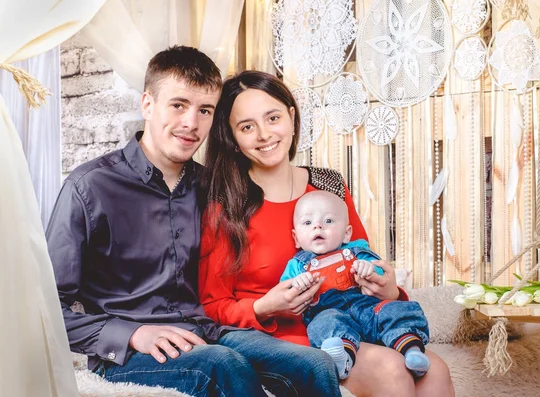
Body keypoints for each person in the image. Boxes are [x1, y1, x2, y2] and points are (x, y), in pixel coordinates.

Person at [46, 46, 341, 397]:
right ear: (147, 104)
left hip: (208, 331)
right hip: (134, 350)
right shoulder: (88, 187)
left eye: (205, 111)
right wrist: (131, 333)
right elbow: (45, 309)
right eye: (178, 105)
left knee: (314, 364)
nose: (191, 123)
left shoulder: (213, 187)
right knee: (222, 364)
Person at [199, 69, 455, 397]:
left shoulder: (327, 185)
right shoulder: (224, 204)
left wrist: (387, 287)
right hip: (280, 338)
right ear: (233, 138)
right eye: (247, 127)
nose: (264, 134)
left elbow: (361, 258)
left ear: (292, 116)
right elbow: (211, 305)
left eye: (273, 117)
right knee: (391, 371)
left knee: (435, 371)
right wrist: (265, 306)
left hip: (350, 318)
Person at [281, 190, 430, 380]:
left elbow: (380, 275)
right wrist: (296, 284)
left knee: (395, 310)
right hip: (329, 312)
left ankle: (412, 350)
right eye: (307, 223)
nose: (317, 226)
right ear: (296, 238)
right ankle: (341, 357)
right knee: (324, 325)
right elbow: (285, 294)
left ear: (346, 233)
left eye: (328, 221)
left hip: (368, 308)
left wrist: (368, 269)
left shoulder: (356, 251)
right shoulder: (297, 265)